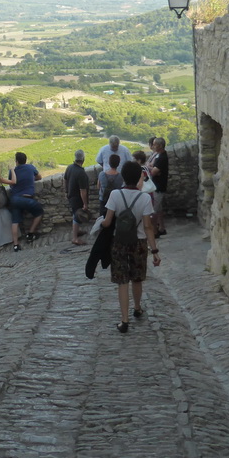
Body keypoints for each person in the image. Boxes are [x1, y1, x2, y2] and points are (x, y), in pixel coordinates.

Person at [101, 160, 159, 333]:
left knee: (122, 281)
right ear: (139, 177)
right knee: (137, 278)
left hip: (119, 243)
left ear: (123, 177)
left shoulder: (115, 195)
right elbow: (148, 227)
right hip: (139, 242)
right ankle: (137, 307)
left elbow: (107, 222)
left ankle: (124, 320)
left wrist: (100, 224)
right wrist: (154, 250)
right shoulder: (145, 198)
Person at [8, 152, 44, 251]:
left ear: (17, 161)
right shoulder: (31, 167)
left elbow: (11, 184)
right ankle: (30, 234)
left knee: (15, 221)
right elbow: (39, 177)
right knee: (39, 212)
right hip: (27, 199)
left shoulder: (12, 171)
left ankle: (16, 245)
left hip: (15, 199)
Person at [63, 149, 90, 245]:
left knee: (76, 215)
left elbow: (65, 179)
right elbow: (83, 191)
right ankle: (75, 238)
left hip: (71, 195)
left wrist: (66, 191)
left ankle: (77, 231)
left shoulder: (69, 167)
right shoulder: (81, 173)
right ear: (83, 159)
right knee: (76, 216)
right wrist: (85, 204)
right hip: (77, 198)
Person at [149, 137, 169, 236]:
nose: (153, 146)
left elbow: (153, 172)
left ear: (160, 146)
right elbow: (154, 169)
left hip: (158, 187)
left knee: (154, 211)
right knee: (159, 209)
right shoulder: (159, 155)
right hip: (158, 186)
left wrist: (149, 167)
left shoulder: (162, 158)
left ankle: (154, 232)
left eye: (155, 144)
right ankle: (162, 228)